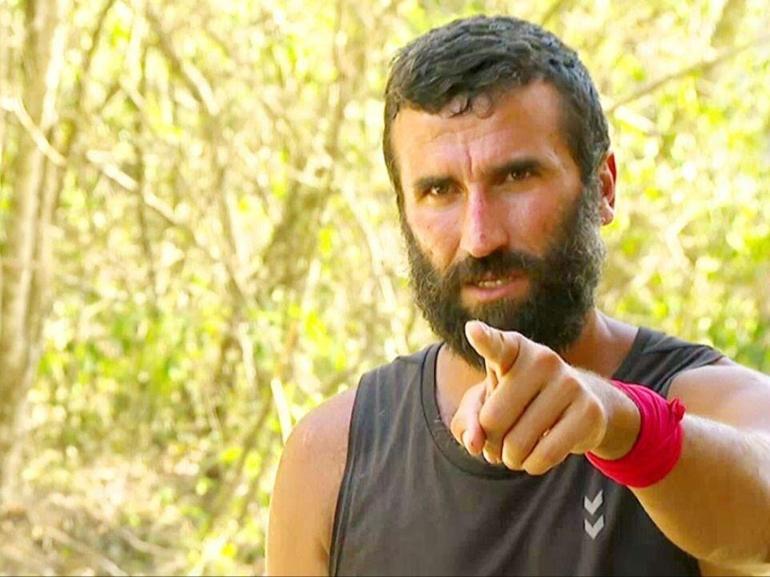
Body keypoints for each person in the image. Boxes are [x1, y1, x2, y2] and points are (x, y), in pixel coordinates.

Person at [267, 15, 770, 576]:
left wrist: (623, 425)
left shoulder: (713, 406)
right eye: (440, 191)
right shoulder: (330, 460)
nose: (480, 238)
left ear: (603, 188)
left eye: (516, 178)